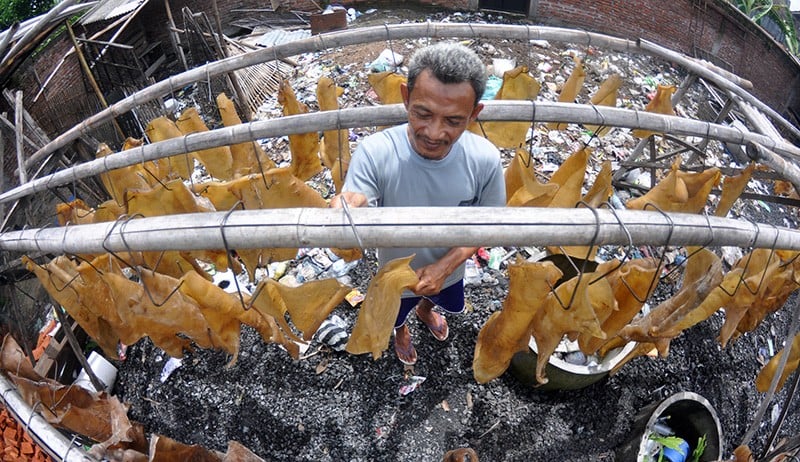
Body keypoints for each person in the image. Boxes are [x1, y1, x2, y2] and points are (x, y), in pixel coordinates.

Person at [330, 42, 506, 365]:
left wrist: (444, 267)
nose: (435, 133)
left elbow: (488, 225)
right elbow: (355, 196)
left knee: (437, 298)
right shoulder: (375, 152)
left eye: (453, 121)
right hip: (395, 274)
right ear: (405, 98)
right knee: (397, 311)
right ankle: (402, 332)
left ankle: (426, 311)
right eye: (422, 114)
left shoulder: (485, 160)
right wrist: (347, 206)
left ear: (474, 114)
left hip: (451, 268)